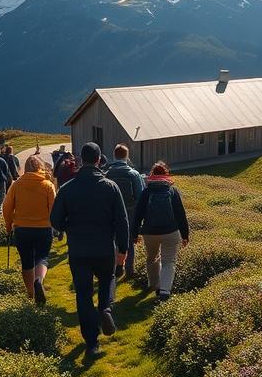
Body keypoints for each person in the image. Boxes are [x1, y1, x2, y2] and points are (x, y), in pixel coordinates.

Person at [50, 142, 128, 357]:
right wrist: (123, 248)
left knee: (83, 295)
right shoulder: (110, 187)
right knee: (108, 279)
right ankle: (105, 309)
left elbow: (55, 220)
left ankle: (92, 343)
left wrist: (70, 228)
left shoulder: (67, 189)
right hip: (104, 248)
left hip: (78, 250)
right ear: (99, 160)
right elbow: (122, 221)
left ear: (81, 160)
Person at [132, 161, 189, 302]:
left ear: (151, 176)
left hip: (149, 233)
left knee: (151, 258)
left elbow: (138, 215)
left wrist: (134, 234)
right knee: (169, 261)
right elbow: (180, 214)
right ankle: (164, 291)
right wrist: (185, 235)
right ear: (166, 175)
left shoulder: (146, 192)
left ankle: (153, 285)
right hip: (171, 232)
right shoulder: (172, 191)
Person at [3, 155, 56, 303]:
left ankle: (31, 293)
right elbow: (54, 208)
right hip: (43, 228)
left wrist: (8, 226)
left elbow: (7, 208)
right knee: (42, 257)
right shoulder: (47, 185)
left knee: (26, 262)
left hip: (22, 228)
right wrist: (55, 225)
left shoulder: (16, 184)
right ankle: (39, 280)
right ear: (41, 168)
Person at [104, 143, 145, 283]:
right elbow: (140, 196)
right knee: (129, 241)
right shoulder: (133, 174)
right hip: (130, 210)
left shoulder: (107, 173)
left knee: (113, 240)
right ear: (127, 156)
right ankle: (129, 270)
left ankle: (115, 267)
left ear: (114, 155)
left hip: (111, 211)